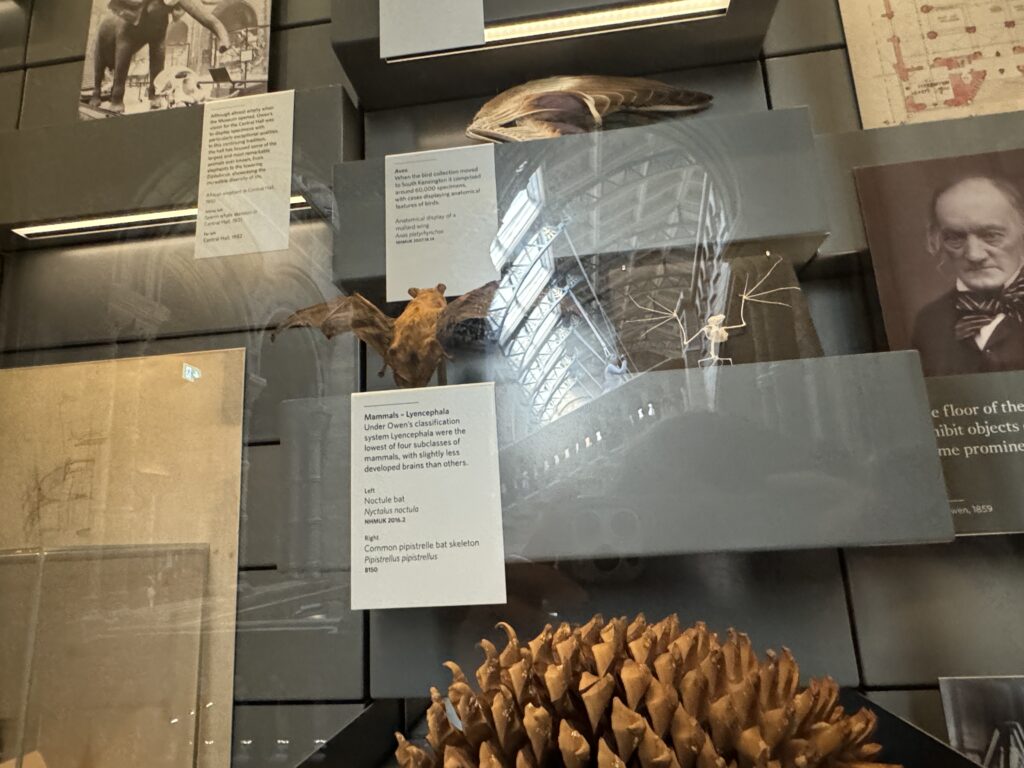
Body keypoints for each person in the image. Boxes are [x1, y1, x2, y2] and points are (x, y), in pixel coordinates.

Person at [911, 175, 1024, 376]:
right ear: (937, 239)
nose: (974, 255)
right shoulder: (929, 322)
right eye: (955, 238)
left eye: (991, 235)